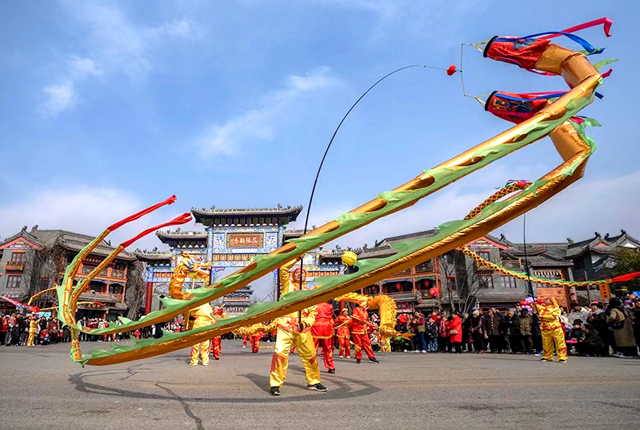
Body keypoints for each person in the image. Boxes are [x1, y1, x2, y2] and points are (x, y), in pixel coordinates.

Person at [269, 258, 325, 396]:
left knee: (311, 355)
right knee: (280, 355)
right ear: (293, 275)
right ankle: (275, 383)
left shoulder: (309, 294)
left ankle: (314, 381)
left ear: (307, 276)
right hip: (285, 325)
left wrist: (305, 323)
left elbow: (312, 315)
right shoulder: (288, 287)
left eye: (303, 273)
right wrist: (296, 258)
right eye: (297, 273)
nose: (300, 274)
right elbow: (282, 269)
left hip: (302, 328)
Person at [533, 297, 567, 363]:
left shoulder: (556, 309)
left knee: (559, 343)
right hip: (545, 328)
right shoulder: (542, 308)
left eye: (547, 299)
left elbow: (555, 317)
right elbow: (535, 307)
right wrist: (534, 304)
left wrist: (543, 317)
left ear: (551, 301)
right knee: (546, 343)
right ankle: (547, 356)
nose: (545, 300)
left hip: (555, 327)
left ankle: (562, 357)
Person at [312, 301, 336, 373]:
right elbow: (331, 318)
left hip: (315, 326)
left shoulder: (314, 305)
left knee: (313, 347)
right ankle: (331, 366)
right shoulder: (330, 306)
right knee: (327, 348)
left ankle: (313, 367)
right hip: (326, 326)